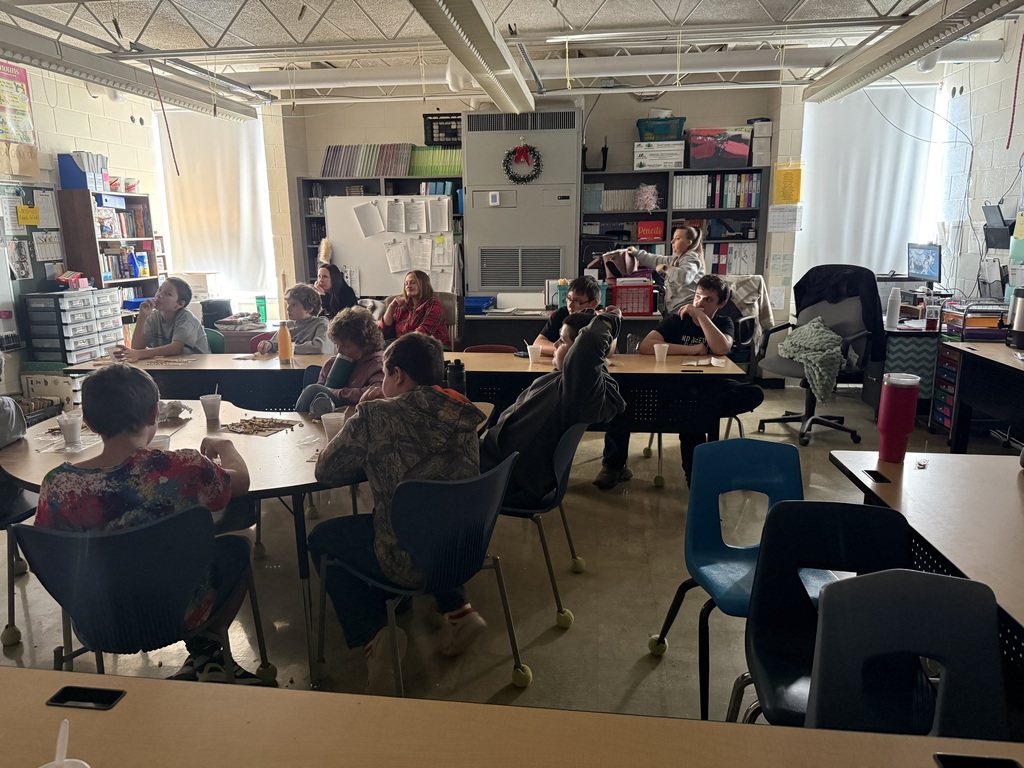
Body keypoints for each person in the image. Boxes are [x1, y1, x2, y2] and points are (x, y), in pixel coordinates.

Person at [33, 364, 262, 684]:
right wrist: (226, 447)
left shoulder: (58, 485)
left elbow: (50, 555)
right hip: (180, 612)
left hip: (98, 619)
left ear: (87, 421)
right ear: (155, 413)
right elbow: (240, 484)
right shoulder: (185, 466)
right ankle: (208, 646)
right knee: (238, 545)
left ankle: (204, 654)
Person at [309, 333, 486, 695]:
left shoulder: (376, 415)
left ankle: (375, 636)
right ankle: (460, 611)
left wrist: (361, 415)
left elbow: (326, 471)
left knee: (322, 539)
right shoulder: (462, 411)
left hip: (404, 561)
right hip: (462, 547)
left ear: (398, 375)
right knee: (430, 513)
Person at [597, 275, 764, 490]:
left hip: (707, 386)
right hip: (674, 386)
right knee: (625, 397)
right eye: (697, 297)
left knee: (752, 392)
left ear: (721, 304)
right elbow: (646, 347)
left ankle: (698, 429)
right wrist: (692, 350)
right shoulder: (677, 320)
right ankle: (612, 465)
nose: (700, 303)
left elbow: (721, 348)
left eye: (708, 300)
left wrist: (701, 317)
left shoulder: (723, 322)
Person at [482, 307, 626, 508]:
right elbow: (590, 350)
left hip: (506, 478)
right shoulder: (578, 383)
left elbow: (591, 339)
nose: (555, 344)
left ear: (577, 351)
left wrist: (612, 316)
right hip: (500, 464)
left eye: (562, 341)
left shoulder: (577, 390)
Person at [295, 307, 385, 415]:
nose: (339, 350)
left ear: (365, 344)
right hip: (328, 417)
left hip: (357, 416)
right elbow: (318, 396)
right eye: (337, 344)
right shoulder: (332, 363)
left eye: (346, 346)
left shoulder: (378, 364)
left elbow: (377, 392)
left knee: (313, 390)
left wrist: (336, 393)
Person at [116, 277, 209, 361]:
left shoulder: (186, 319)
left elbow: (175, 349)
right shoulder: (153, 317)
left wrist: (139, 354)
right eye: (159, 290)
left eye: (168, 294)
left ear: (180, 304)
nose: (159, 295)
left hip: (197, 369)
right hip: (171, 366)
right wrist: (142, 317)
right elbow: (137, 347)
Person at [627, 226, 705, 315]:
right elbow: (655, 260)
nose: (672, 242)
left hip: (686, 311)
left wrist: (665, 268)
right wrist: (636, 253)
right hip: (676, 310)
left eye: (677, 238)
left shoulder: (691, 257)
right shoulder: (675, 259)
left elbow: (685, 277)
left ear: (689, 242)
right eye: (673, 238)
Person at [532, 275, 602, 357]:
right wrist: (566, 351)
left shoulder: (601, 316)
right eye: (569, 299)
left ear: (593, 303)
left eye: (577, 301)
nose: (570, 305)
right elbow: (538, 343)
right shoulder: (561, 314)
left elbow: (609, 350)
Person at [380, 270, 450, 349]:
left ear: (423, 284)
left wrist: (398, 344)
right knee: (382, 345)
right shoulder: (403, 306)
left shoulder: (433, 303)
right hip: (405, 346)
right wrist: (391, 306)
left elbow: (423, 333)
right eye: (406, 284)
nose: (408, 286)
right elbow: (384, 332)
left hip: (432, 347)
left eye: (413, 283)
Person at [256, 284, 330, 355]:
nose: (288, 309)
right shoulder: (287, 325)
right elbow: (276, 344)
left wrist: (287, 348)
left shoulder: (321, 324)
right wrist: (269, 345)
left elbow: (319, 347)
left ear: (309, 309)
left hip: (310, 366)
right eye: (288, 304)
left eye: (294, 305)